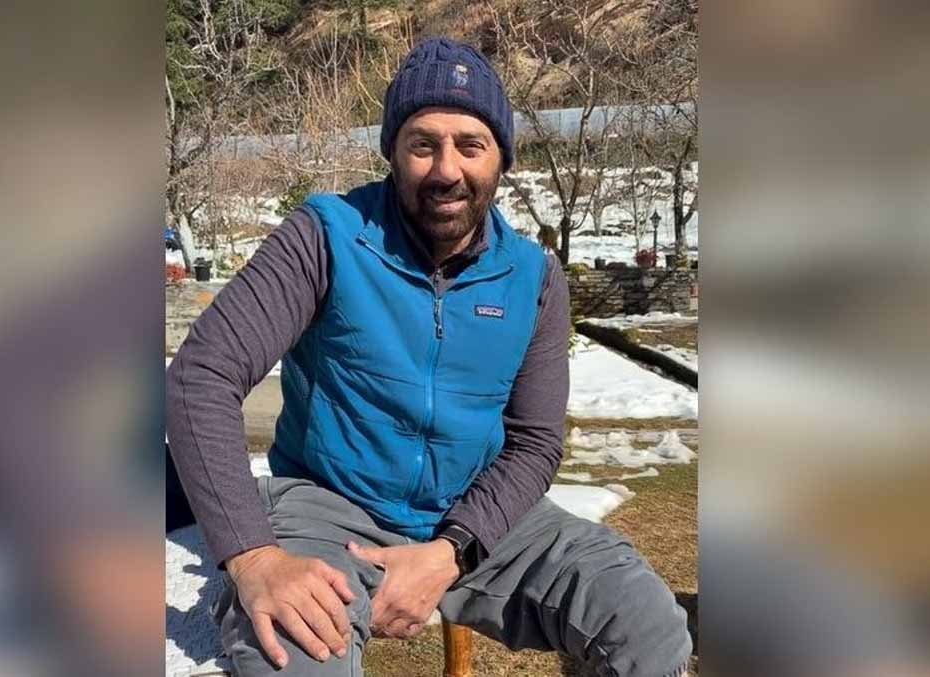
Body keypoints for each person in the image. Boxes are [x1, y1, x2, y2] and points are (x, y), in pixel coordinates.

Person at [166, 37, 691, 677]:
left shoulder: (532, 276)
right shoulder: (327, 237)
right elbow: (202, 377)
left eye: (471, 145)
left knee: (647, 624)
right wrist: (253, 558)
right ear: (392, 151)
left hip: (477, 512)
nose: (446, 169)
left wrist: (450, 551)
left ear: (502, 158)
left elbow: (534, 442)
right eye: (423, 144)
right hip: (329, 506)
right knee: (298, 656)